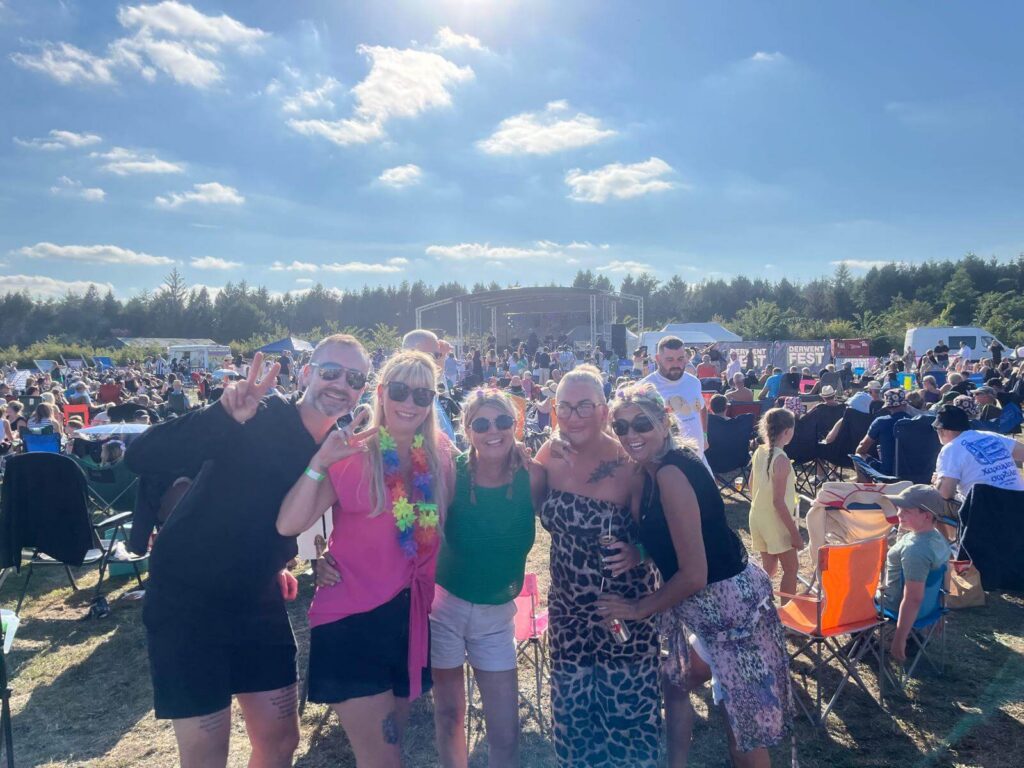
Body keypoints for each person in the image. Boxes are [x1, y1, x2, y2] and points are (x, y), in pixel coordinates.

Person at [126, 339, 368, 768]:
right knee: (207, 752)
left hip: (257, 594)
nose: (341, 385)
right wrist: (221, 416)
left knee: (280, 740)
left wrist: (286, 560)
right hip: (189, 597)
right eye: (331, 371)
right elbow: (142, 455)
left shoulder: (335, 446)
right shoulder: (262, 413)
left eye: (354, 378)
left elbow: (294, 517)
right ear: (306, 373)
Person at [598, 384, 791, 767]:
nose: (631, 435)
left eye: (641, 424)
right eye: (620, 428)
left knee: (743, 730)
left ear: (664, 422)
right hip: (705, 612)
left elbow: (694, 574)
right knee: (675, 683)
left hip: (732, 611)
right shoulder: (649, 471)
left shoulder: (672, 472)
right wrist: (639, 553)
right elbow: (676, 535)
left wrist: (638, 608)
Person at [277, 350, 453, 768]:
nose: (410, 402)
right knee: (384, 758)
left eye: (422, 394)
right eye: (400, 390)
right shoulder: (353, 451)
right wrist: (320, 461)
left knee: (393, 742)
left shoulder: (440, 457)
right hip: (353, 619)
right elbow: (290, 523)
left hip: (409, 620)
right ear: (381, 392)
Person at [535, 366, 661, 768]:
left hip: (622, 611)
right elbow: (520, 502)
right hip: (568, 611)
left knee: (626, 716)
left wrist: (640, 552)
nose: (573, 416)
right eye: (564, 407)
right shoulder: (548, 456)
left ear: (604, 411)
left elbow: (664, 533)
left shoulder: (631, 464)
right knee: (572, 714)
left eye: (584, 405)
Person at [430, 389, 546, 768]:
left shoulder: (534, 474)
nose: (492, 430)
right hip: (444, 609)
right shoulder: (451, 471)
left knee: (505, 732)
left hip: (497, 617)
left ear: (517, 424)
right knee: (449, 717)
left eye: (502, 421)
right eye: (481, 423)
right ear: (467, 429)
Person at [879, 485, 951, 663]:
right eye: (899, 508)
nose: (899, 513)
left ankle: (873, 641)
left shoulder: (915, 550)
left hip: (893, 604)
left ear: (926, 516)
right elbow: (946, 574)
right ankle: (911, 636)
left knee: (852, 595)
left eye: (906, 510)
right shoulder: (938, 538)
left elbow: (913, 598)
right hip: (929, 607)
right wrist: (940, 609)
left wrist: (899, 638)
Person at [749, 407, 803, 602]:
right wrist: (795, 533)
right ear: (788, 432)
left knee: (769, 569)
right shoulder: (781, 460)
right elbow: (778, 502)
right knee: (791, 569)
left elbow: (751, 485)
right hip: (775, 521)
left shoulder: (759, 451)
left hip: (758, 517)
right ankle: (788, 617)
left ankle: (759, 606)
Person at [933, 404, 1024, 499]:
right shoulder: (991, 435)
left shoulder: (950, 449)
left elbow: (945, 494)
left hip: (985, 509)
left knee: (923, 496)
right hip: (1019, 502)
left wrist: (937, 481)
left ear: (942, 430)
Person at [642, 336, 707, 458]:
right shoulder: (645, 388)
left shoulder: (694, 382)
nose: (676, 364)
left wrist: (704, 435)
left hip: (699, 457)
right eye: (670, 360)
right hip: (667, 463)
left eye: (680, 359)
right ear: (657, 359)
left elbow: (702, 408)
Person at [856, 388, 912, 477]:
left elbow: (863, 447)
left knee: (858, 455)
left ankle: (867, 487)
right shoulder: (914, 422)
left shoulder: (881, 422)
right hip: (913, 472)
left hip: (887, 473)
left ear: (888, 407)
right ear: (904, 405)